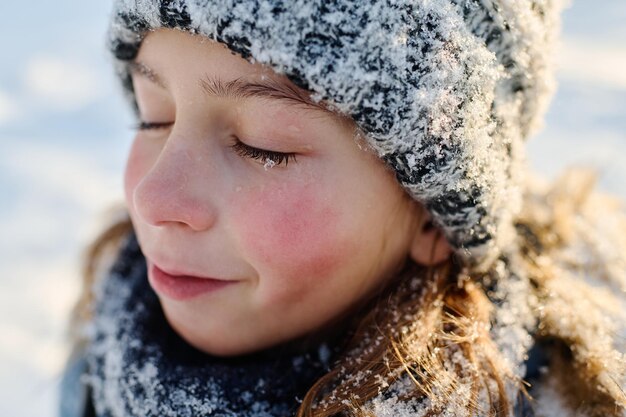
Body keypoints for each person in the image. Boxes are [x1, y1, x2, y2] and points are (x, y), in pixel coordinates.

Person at [59, 1, 626, 416]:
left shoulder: (562, 399)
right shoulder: (107, 343)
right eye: (155, 117)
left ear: (431, 214)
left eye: (264, 146)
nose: (153, 200)